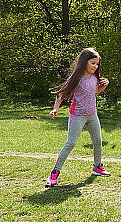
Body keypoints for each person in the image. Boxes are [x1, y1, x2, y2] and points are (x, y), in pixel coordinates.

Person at [45, 47, 110, 186]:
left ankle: (97, 167)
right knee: (71, 143)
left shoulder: (94, 78)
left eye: (97, 64)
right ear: (84, 62)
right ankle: (54, 173)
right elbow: (61, 94)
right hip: (77, 116)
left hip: (92, 115)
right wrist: (55, 108)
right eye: (93, 63)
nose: (95, 66)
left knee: (98, 141)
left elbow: (96, 91)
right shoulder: (76, 79)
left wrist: (104, 85)